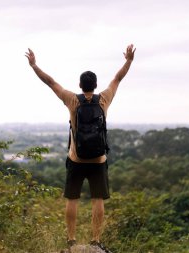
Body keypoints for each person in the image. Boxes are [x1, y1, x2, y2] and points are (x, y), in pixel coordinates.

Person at [25, 44, 136, 253]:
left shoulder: (71, 100)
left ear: (80, 84)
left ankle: (71, 240)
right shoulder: (104, 99)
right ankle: (95, 240)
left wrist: (34, 65)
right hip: (98, 160)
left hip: (76, 159)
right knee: (97, 199)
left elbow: (50, 82)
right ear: (95, 85)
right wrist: (128, 61)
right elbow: (118, 78)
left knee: (73, 198)